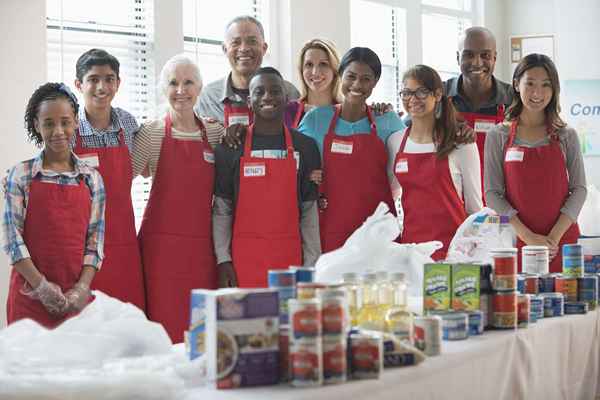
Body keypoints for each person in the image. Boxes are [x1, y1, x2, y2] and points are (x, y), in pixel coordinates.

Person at [2, 83, 105, 327]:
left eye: (65, 121)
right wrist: (41, 288)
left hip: (75, 301)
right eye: (49, 123)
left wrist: (81, 288)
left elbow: (95, 243)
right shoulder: (21, 175)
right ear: (37, 125)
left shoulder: (92, 179)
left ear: (76, 122)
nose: (58, 131)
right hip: (28, 301)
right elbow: (11, 241)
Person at [132, 55, 219, 343]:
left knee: (201, 329)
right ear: (162, 88)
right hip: (160, 254)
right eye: (173, 83)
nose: (181, 90)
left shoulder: (215, 133)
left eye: (188, 82)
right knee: (163, 327)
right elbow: (121, 184)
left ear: (200, 88)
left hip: (203, 250)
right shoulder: (152, 133)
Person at [213, 67, 321, 288]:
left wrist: (311, 265)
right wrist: (223, 260)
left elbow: (310, 214)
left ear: (286, 97)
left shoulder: (306, 146)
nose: (267, 97)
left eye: (275, 91)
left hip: (291, 263)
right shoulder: (231, 147)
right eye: (259, 92)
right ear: (249, 100)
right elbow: (222, 210)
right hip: (243, 263)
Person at [485, 53, 586, 273]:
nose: (537, 93)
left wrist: (552, 239)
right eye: (530, 83)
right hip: (517, 242)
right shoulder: (498, 135)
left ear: (554, 89)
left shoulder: (566, 135)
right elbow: (492, 194)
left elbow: (579, 189)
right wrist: (528, 237)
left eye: (545, 85)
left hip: (561, 243)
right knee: (516, 304)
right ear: (516, 84)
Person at [297, 47, 405, 253]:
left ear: (375, 83)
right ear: (340, 76)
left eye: (366, 79)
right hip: (330, 229)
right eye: (351, 76)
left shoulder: (388, 121)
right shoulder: (316, 120)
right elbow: (294, 165)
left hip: (378, 232)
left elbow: (416, 153)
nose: (357, 85)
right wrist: (309, 177)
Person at [72, 48, 145, 311]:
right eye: (93, 79)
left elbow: (146, 165)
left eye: (109, 78)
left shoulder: (128, 122)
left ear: (118, 83)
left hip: (123, 242)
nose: (102, 87)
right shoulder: (69, 127)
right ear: (79, 84)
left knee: (128, 322)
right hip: (82, 246)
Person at [387, 65, 482, 260]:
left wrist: (470, 255)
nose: (412, 99)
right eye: (406, 93)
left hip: (453, 254)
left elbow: (475, 210)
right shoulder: (395, 142)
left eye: (421, 92)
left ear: (437, 94)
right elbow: (393, 192)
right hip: (413, 253)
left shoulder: (461, 143)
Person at [195, 15, 299, 145]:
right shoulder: (208, 98)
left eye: (252, 41)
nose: (244, 48)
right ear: (225, 49)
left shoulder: (289, 92)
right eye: (236, 42)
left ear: (264, 48)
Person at [446, 27, 513, 199]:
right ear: (457, 58)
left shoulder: (514, 99)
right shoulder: (439, 95)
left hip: (502, 209)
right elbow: (408, 132)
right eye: (468, 54)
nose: (477, 62)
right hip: (453, 208)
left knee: (498, 225)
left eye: (485, 55)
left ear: (495, 58)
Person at [285, 38, 342, 129]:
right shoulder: (288, 111)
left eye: (323, 64)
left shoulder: (346, 113)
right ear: (302, 71)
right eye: (309, 64)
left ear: (335, 70)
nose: (315, 72)